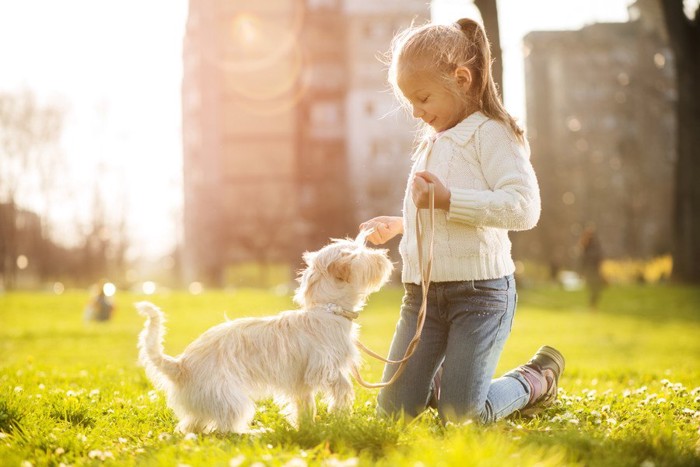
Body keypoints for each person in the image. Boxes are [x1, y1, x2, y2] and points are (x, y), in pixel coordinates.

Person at [359, 18, 565, 424]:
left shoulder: (492, 134)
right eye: (410, 103)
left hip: (479, 296)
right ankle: (444, 381)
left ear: (462, 78)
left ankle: (533, 379)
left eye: (423, 98)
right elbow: (437, 213)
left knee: (462, 419)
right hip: (422, 299)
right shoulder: (436, 141)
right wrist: (402, 223)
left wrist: (449, 200)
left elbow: (524, 208)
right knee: (393, 413)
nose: (417, 113)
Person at [579, 227, 605, 309]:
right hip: (590, 271)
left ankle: (592, 306)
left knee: (596, 290)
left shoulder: (595, 246)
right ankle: (592, 306)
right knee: (594, 289)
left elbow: (599, 258)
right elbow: (582, 260)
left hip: (594, 271)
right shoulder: (585, 247)